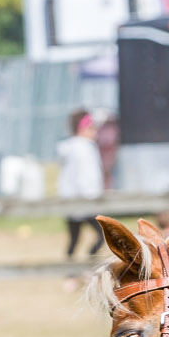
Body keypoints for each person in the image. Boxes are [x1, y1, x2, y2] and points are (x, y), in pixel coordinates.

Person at [57, 111, 105, 259]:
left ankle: (73, 268)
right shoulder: (83, 149)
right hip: (84, 200)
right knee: (102, 234)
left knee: (75, 239)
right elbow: (86, 176)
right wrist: (92, 198)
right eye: (91, 128)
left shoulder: (73, 147)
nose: (95, 131)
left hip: (72, 199)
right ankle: (88, 262)